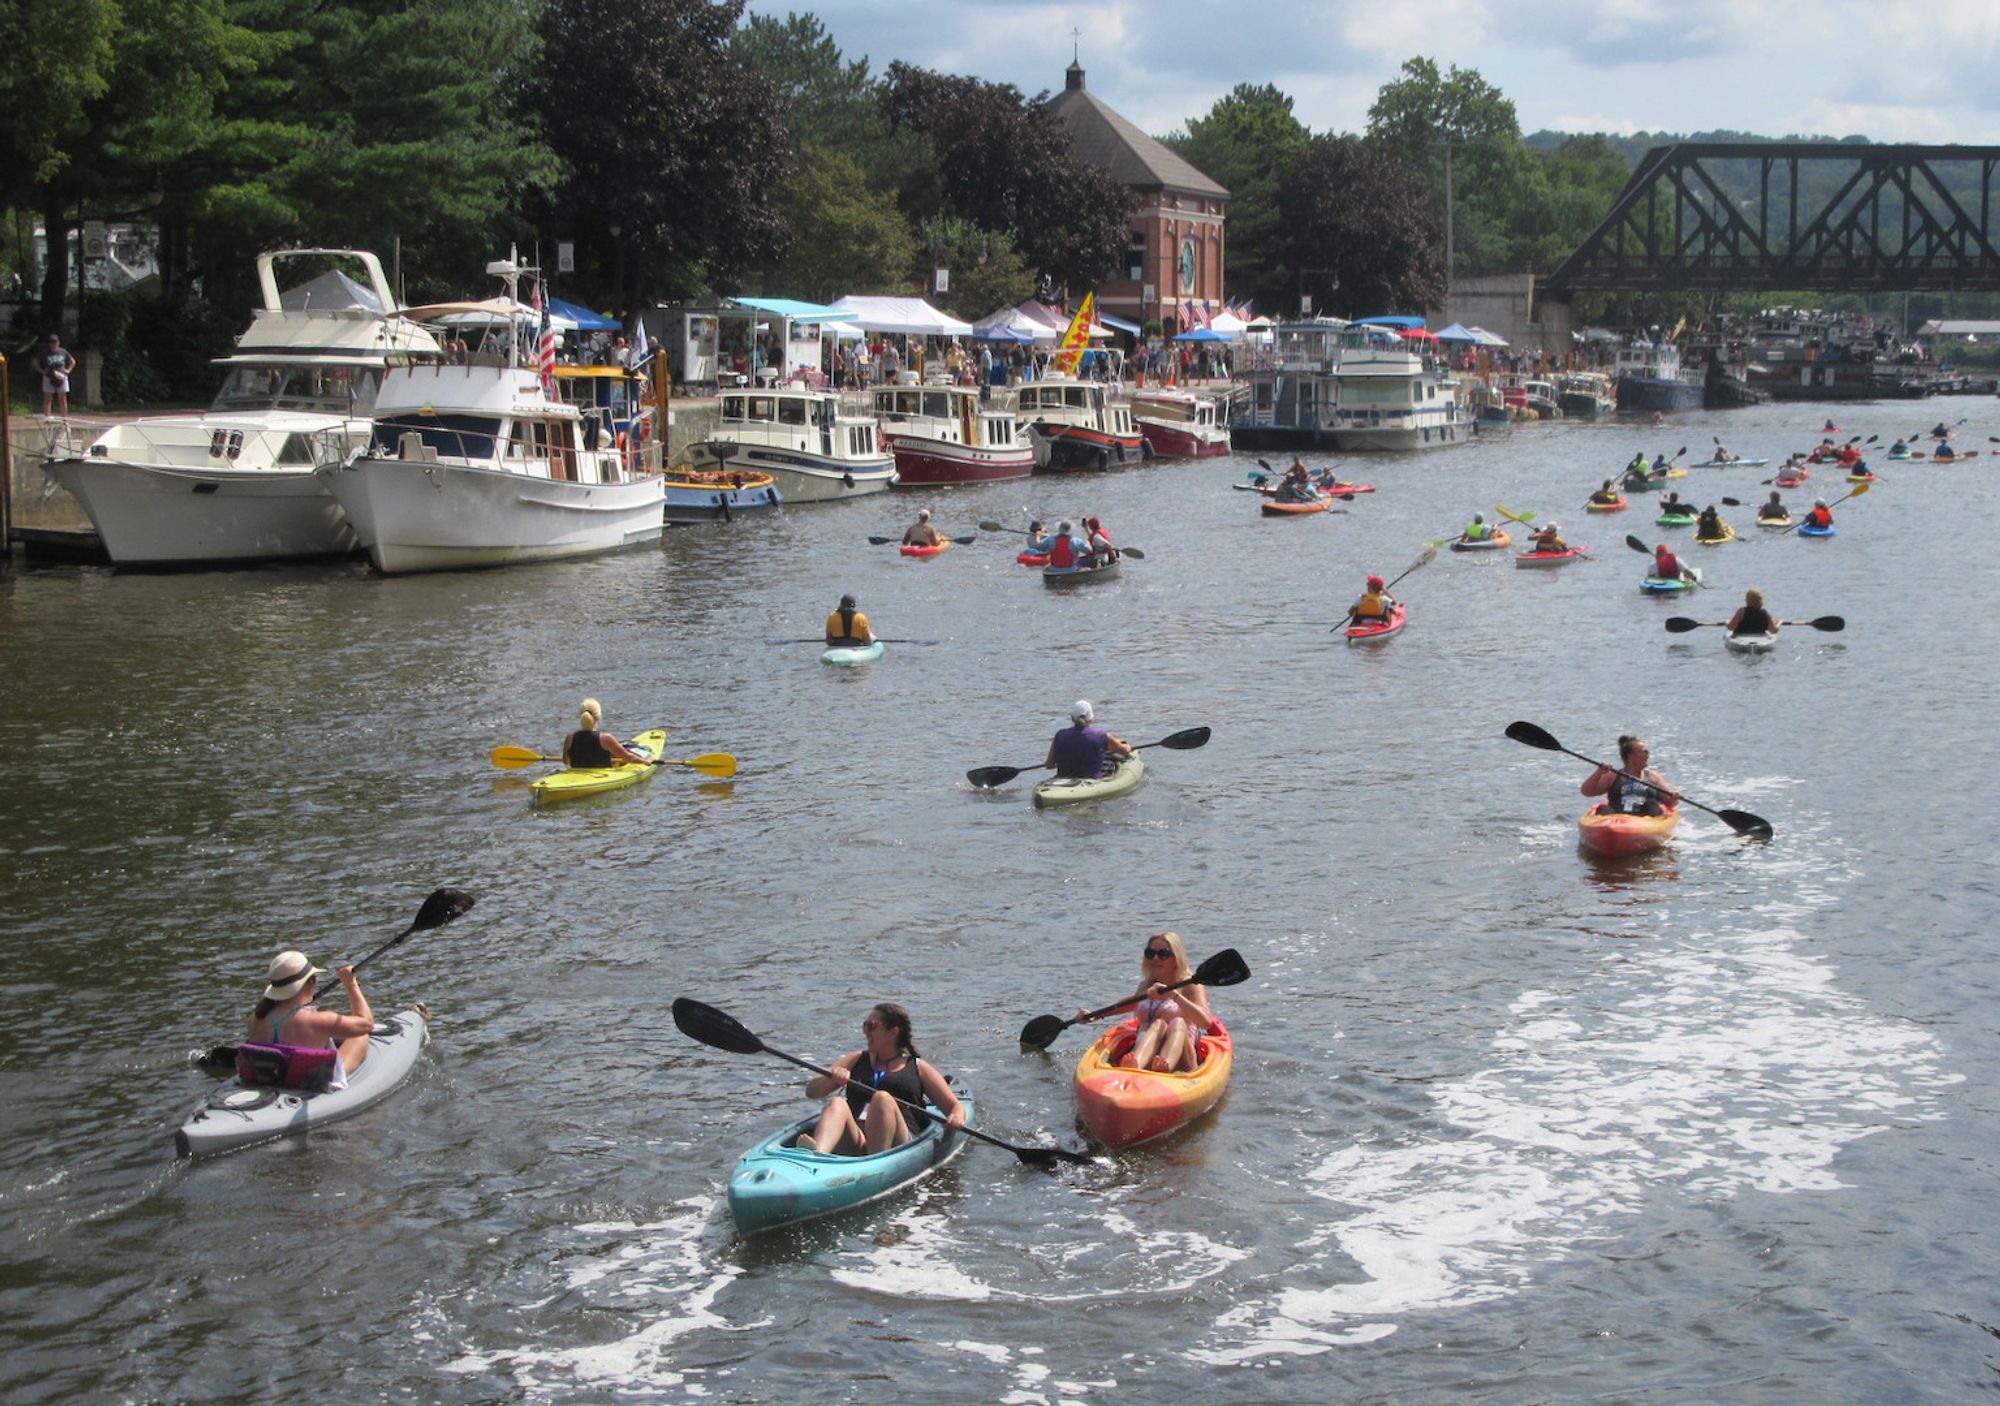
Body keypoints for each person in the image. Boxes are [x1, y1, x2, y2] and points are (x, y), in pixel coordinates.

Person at [795, 1003, 967, 1156]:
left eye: (872, 1026)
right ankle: (817, 1155)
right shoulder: (856, 1059)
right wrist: (832, 1078)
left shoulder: (917, 1067)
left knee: (882, 1098)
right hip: (858, 1137)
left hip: (899, 1140)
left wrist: (956, 1118)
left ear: (893, 1032)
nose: (866, 1032)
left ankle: (875, 1163)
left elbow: (954, 1106)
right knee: (837, 1103)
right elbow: (812, 1091)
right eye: (865, 1026)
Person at [1073, 931, 1215, 1073]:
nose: (1155, 958)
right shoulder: (1146, 986)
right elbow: (1130, 1003)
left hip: (1182, 1059)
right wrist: (1096, 1015)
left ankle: (1165, 1066)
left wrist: (1174, 995)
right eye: (1150, 953)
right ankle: (1136, 1066)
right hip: (1148, 1056)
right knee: (1158, 1024)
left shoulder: (1190, 985)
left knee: (1177, 1022)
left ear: (1176, 959)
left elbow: (1205, 1022)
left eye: (1163, 954)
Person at [246, 951, 376, 1086]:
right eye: (314, 978)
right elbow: (367, 1024)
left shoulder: (255, 1017)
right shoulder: (318, 1020)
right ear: (310, 982)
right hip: (310, 1082)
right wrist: (350, 983)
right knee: (361, 1036)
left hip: (270, 1077)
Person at [1580, 734, 1678, 818]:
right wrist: (1599, 772)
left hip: (1646, 818)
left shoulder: (1653, 776)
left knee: (1652, 804)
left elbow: (1670, 802)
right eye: (1644, 751)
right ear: (1631, 755)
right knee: (1603, 809)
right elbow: (1587, 792)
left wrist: (1674, 798)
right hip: (1617, 819)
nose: (1648, 754)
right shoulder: (1613, 776)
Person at [1045, 699, 1132, 780]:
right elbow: (1125, 751)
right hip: (1092, 781)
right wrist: (1127, 745)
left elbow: (1049, 765)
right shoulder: (1102, 735)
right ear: (1091, 718)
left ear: (1072, 718)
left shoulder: (1059, 735)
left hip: (1064, 779)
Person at [564, 697, 661, 769]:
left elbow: (566, 761)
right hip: (601, 774)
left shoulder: (570, 737)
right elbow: (628, 758)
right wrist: (645, 761)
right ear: (598, 717)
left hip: (577, 772)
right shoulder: (605, 738)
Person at [38, 333, 76, 419]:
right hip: (49, 376)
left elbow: (72, 361)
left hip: (61, 376)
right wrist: (42, 371)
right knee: (48, 398)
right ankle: (47, 418)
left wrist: (68, 370)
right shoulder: (45, 353)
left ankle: (64, 419)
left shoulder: (63, 352)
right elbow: (35, 362)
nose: (53, 344)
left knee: (62, 399)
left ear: (58, 343)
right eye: (51, 342)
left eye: (55, 342)